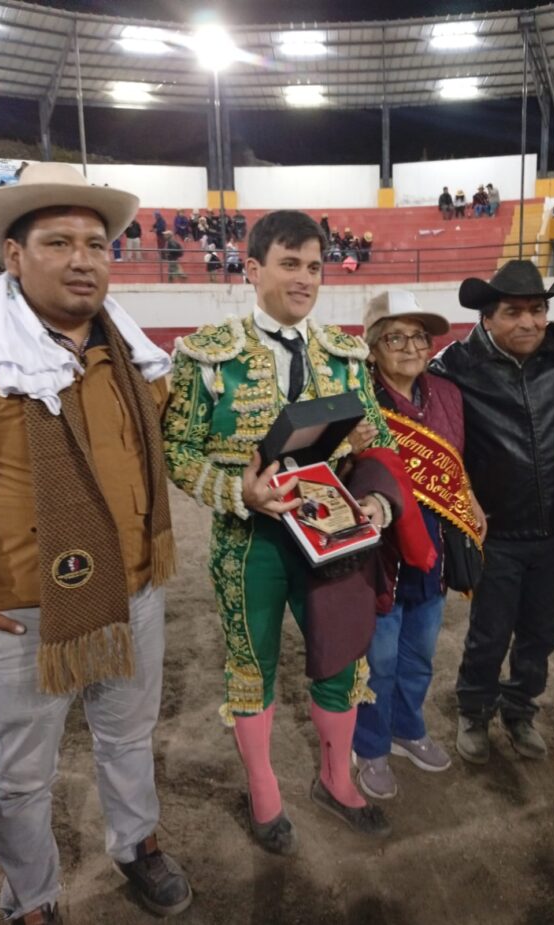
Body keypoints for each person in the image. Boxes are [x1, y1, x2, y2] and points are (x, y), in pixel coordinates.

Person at [163, 209, 399, 856]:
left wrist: (369, 473)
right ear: (254, 267)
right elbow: (178, 450)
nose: (304, 278)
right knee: (251, 665)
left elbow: (376, 434)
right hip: (250, 543)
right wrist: (238, 491)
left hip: (333, 534)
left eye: (315, 266)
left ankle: (334, 777)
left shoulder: (347, 352)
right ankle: (264, 787)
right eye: (290, 263)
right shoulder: (207, 354)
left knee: (340, 657)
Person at [0, 162, 191, 923]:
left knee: (129, 735)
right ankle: (32, 895)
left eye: (97, 244)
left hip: (135, 588)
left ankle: (134, 842)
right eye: (59, 242)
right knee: (18, 774)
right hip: (24, 607)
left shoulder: (131, 351)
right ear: (14, 256)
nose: (84, 258)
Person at [430, 260, 554, 765]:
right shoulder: (454, 366)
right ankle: (474, 709)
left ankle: (520, 707)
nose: (529, 323)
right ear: (488, 317)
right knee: (489, 630)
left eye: (537, 310)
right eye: (514, 312)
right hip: (495, 531)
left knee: (543, 630)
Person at [353, 291, 486, 799]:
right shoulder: (357, 398)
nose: (409, 346)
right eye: (394, 336)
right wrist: (350, 446)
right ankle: (370, 746)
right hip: (379, 548)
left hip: (437, 543)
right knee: (379, 656)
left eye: (418, 336)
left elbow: (453, 460)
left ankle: (407, 729)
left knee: (421, 652)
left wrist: (469, 495)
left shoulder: (448, 394)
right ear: (372, 348)